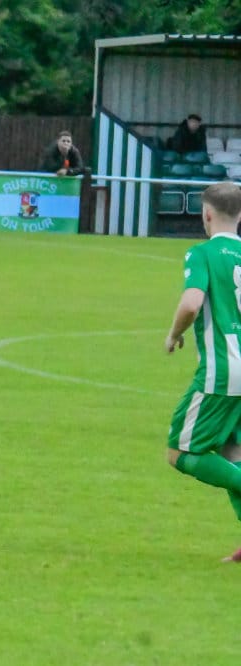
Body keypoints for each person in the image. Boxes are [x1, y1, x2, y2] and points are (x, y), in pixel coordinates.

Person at [163, 181, 241, 563]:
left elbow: (192, 303)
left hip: (224, 370)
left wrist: (173, 334)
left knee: (179, 451)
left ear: (206, 214)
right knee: (232, 450)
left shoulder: (202, 254)